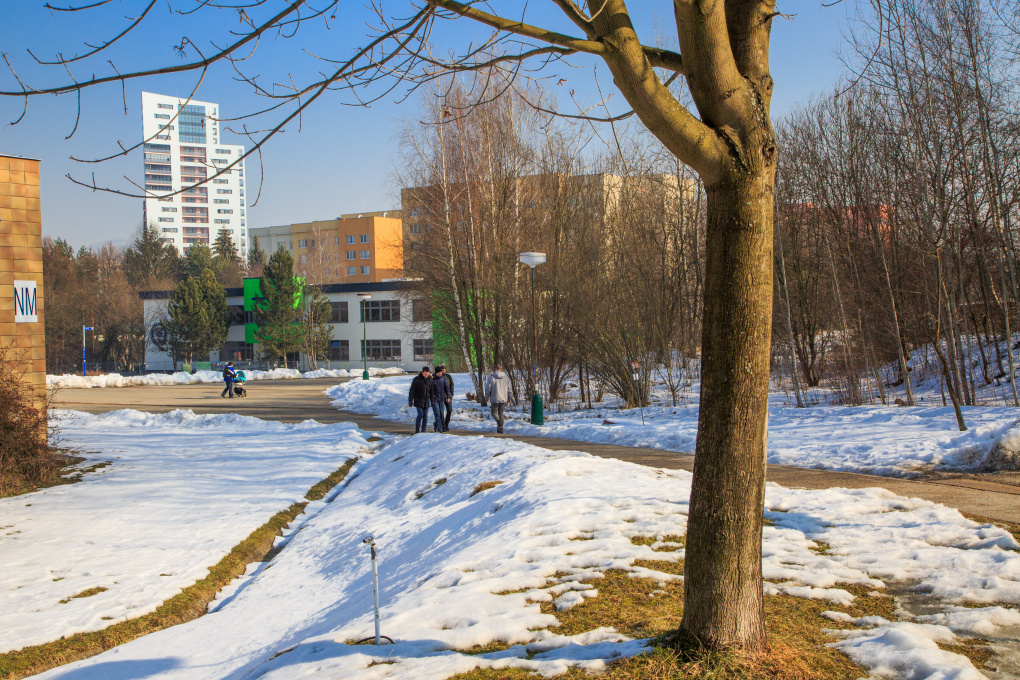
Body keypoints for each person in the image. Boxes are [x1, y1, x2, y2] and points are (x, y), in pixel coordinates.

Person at [485, 364, 510, 433]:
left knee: (493, 412)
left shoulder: (492, 378)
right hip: (503, 398)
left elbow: (488, 388)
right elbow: (509, 388)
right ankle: (500, 429)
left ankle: (499, 422)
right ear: (501, 369)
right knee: (501, 413)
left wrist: (486, 396)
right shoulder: (506, 378)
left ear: (495, 369)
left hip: (495, 398)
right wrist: (509, 397)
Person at [408, 366, 433, 434]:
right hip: (418, 400)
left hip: (426, 401)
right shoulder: (417, 379)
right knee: (420, 414)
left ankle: (423, 430)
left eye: (427, 373)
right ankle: (417, 428)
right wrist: (410, 400)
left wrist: (432, 400)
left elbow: (431, 391)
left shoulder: (430, 380)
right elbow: (412, 390)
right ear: (422, 372)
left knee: (425, 416)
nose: (426, 375)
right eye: (425, 373)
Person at [430, 364, 450, 433]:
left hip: (442, 399)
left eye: (441, 372)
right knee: (437, 414)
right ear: (436, 372)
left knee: (441, 414)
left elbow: (447, 388)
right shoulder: (432, 379)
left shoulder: (443, 378)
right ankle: (439, 428)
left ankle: (436, 424)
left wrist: (448, 396)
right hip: (434, 399)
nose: (440, 373)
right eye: (439, 372)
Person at [438, 365, 454, 431]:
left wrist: (451, 394)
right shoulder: (438, 377)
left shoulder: (448, 376)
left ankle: (446, 423)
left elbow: (452, 385)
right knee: (441, 412)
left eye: (444, 370)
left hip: (448, 396)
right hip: (441, 397)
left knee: (449, 410)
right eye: (442, 370)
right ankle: (442, 425)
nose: (443, 371)